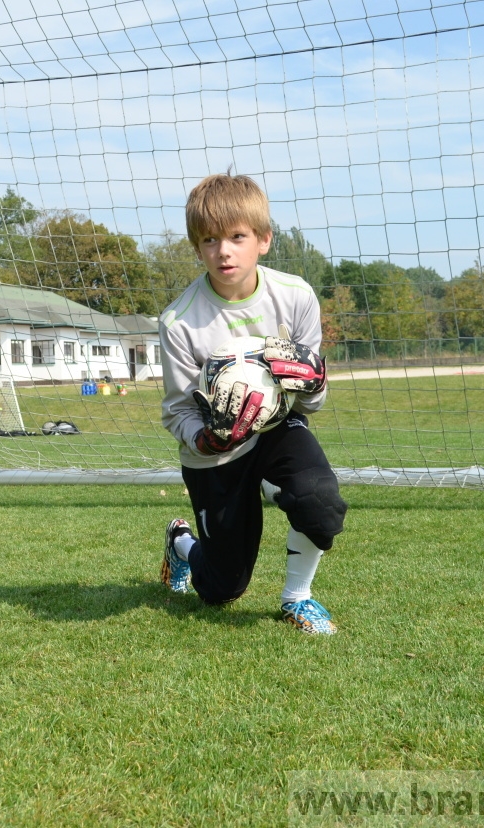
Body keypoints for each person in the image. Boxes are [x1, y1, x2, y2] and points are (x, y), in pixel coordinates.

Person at [157, 172, 348, 634]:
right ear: (197, 247)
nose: (224, 250)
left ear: (263, 239)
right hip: (216, 453)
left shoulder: (296, 296)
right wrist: (207, 437)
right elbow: (177, 412)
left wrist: (313, 382)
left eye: (237, 237)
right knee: (222, 589)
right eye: (209, 239)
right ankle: (181, 543)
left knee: (320, 502)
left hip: (279, 429)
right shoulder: (179, 322)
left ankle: (297, 598)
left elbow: (312, 399)